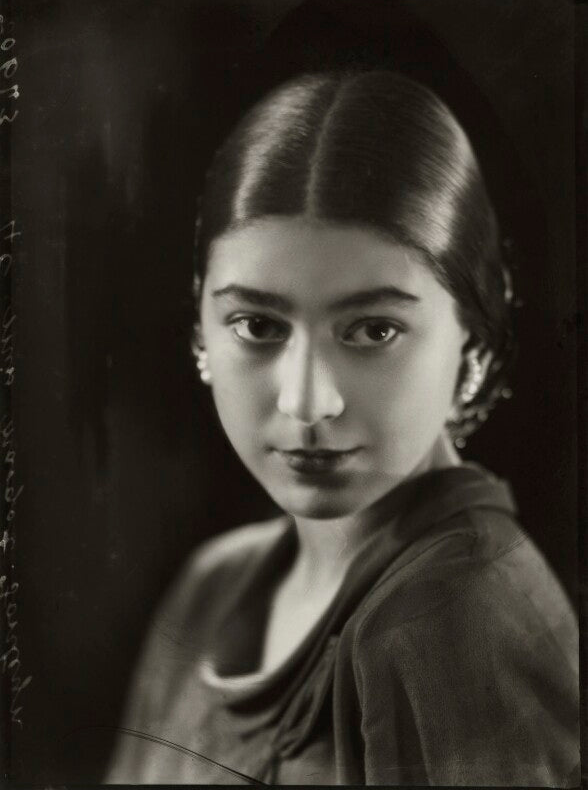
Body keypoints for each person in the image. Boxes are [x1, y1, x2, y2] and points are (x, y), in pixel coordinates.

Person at [103, 69, 579, 785]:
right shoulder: (210, 587)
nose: (306, 402)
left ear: (474, 344)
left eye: (374, 330)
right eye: (257, 325)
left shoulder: (450, 622)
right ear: (201, 328)